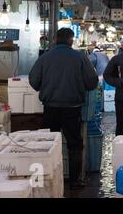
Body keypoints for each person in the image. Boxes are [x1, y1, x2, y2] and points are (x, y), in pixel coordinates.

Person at [29, 28, 99, 189]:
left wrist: (46, 87)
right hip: (72, 109)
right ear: (71, 40)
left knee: (47, 143)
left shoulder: (45, 57)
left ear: (55, 39)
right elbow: (92, 82)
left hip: (50, 108)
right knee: (74, 145)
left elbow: (33, 81)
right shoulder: (80, 58)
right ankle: (74, 182)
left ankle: (46, 178)